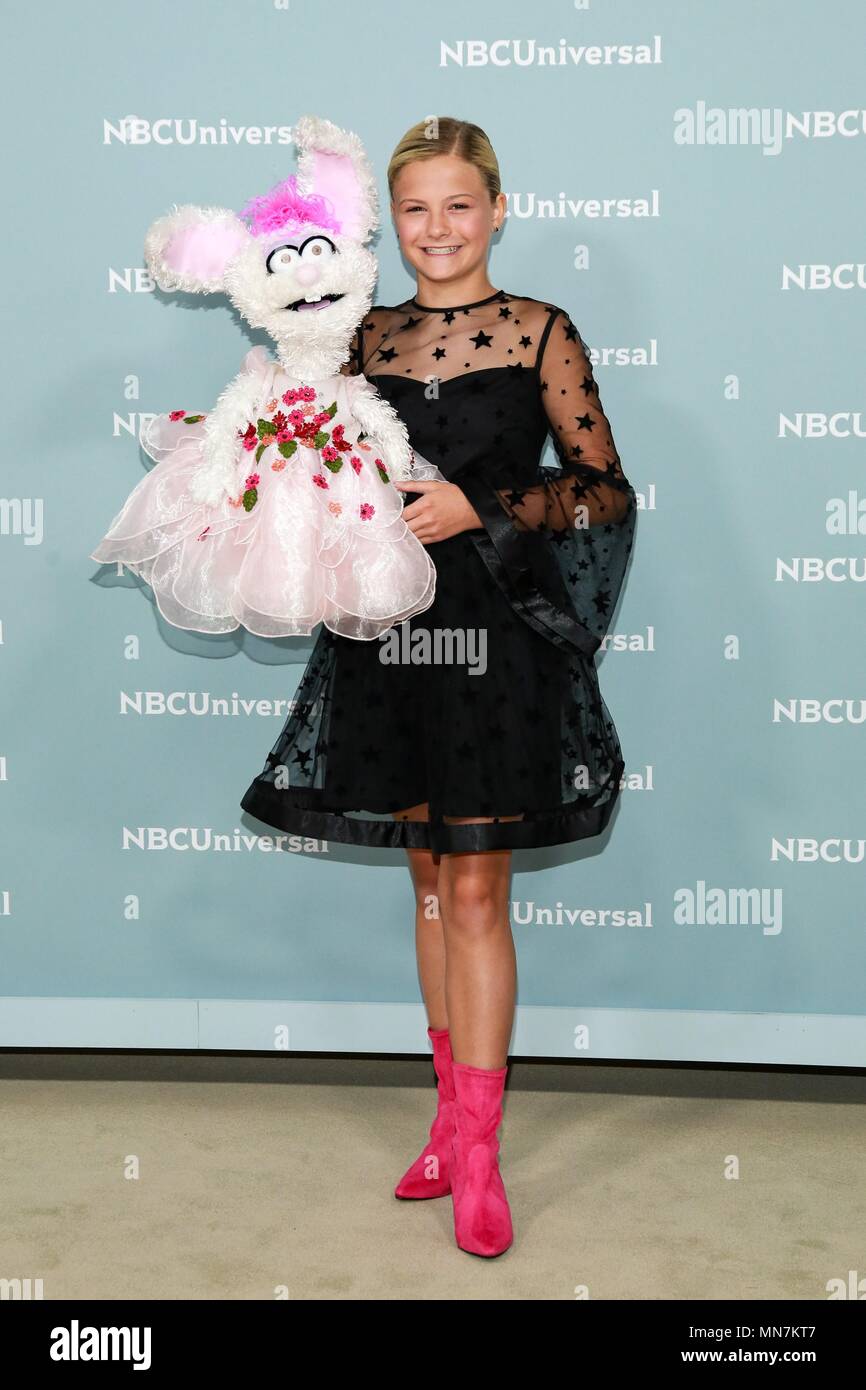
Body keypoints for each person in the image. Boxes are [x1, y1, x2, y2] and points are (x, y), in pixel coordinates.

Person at [240, 116, 638, 1259]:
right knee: (424, 880)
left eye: (458, 204)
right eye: (414, 208)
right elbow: (305, 469)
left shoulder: (537, 331)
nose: (437, 228)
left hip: (493, 642)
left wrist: (490, 503)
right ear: (390, 222)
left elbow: (604, 490)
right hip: (387, 643)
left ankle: (479, 1154)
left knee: (474, 894)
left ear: (496, 209)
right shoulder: (352, 336)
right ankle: (443, 1118)